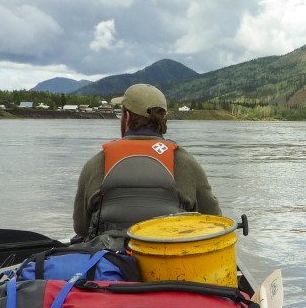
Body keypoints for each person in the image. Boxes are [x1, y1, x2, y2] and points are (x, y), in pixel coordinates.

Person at [72, 83, 220, 248]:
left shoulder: (97, 163)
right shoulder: (187, 163)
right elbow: (213, 221)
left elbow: (81, 227)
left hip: (111, 263)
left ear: (127, 117)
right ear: (163, 119)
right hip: (170, 262)